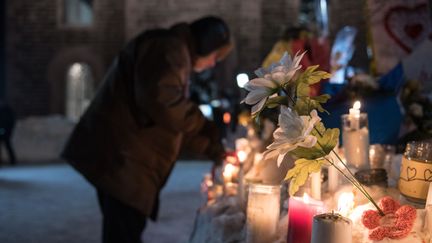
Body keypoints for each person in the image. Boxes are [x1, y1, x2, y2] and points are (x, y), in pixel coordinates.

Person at [61, 16, 233, 243]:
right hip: (124, 160)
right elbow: (163, 102)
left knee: (124, 231)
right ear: (205, 44)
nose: (213, 64)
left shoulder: (174, 52)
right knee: (123, 232)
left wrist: (213, 149)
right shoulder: (167, 48)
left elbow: (170, 123)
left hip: (128, 162)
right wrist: (202, 123)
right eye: (215, 56)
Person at [0, 100, 17, 165]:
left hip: (5, 131)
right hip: (4, 130)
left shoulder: (6, 111)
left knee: (8, 145)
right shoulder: (5, 110)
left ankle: (12, 160)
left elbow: (10, 121)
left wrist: (7, 130)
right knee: (7, 145)